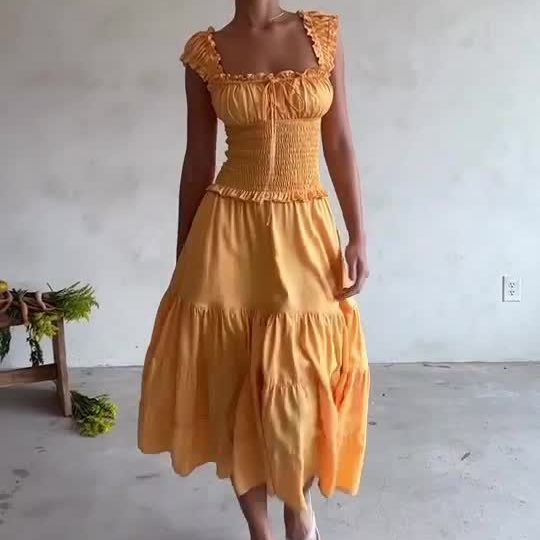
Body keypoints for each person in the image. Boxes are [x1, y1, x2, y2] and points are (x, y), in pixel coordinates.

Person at [138, 3, 370, 539]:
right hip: (226, 232)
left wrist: (358, 232)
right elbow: (198, 161)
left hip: (304, 225)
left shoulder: (322, 34)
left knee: (306, 376)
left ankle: (298, 506)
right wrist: (184, 253)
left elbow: (338, 140)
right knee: (231, 375)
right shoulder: (205, 53)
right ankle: (259, 529)